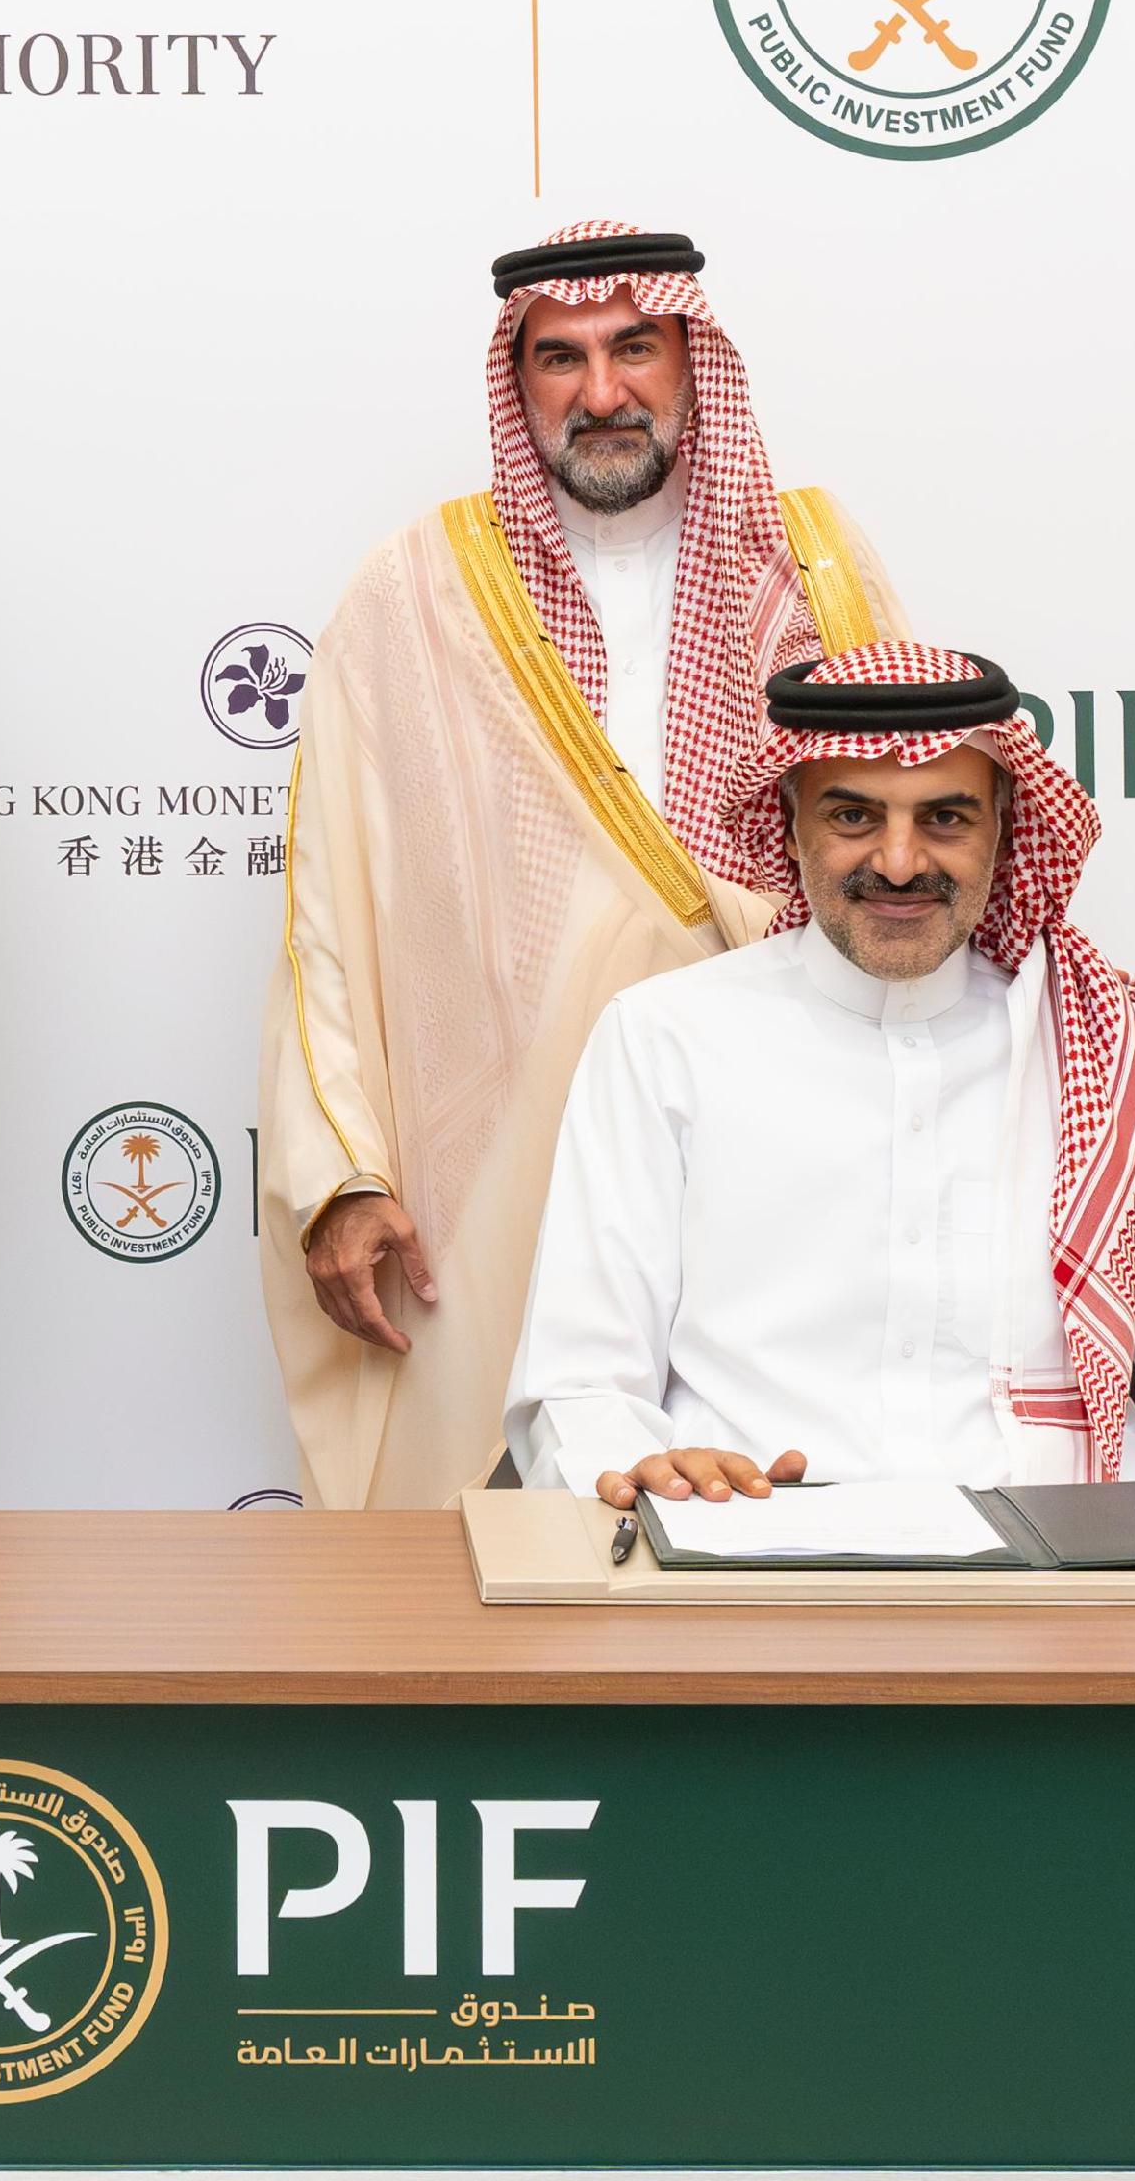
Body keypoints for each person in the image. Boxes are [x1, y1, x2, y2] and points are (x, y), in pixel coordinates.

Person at [257, 219, 904, 1509]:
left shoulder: (815, 568)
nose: (601, 394)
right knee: (488, 1522)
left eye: (634, 349)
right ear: (518, 380)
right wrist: (342, 1171)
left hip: (772, 1111)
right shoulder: (412, 590)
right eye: (560, 359)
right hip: (498, 1147)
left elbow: (907, 839)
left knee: (770, 1486)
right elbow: (327, 906)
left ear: (689, 361)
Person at [504, 642, 1135, 1511]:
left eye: (945, 819)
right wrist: (639, 1469)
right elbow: (582, 1393)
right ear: (791, 818)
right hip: (758, 1557)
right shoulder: (666, 1037)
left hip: (1083, 1578)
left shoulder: (1117, 1046)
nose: (897, 861)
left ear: (1004, 825)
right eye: (853, 817)